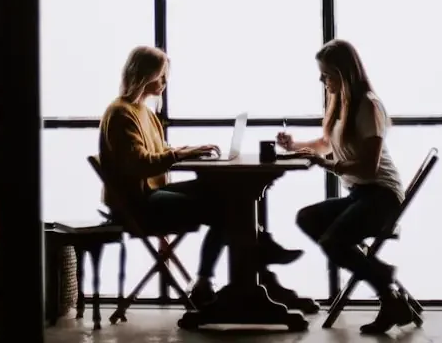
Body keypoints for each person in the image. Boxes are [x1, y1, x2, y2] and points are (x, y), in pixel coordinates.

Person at [99, 45, 301, 307]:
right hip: (136, 204)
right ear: (144, 75)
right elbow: (140, 164)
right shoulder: (121, 113)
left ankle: (247, 266)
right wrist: (182, 154)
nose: (165, 82)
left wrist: (189, 150)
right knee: (227, 207)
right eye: (160, 75)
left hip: (149, 193)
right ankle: (252, 263)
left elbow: (160, 152)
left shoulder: (144, 112)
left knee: (227, 195)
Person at [277, 39, 414, 335]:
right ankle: (386, 286)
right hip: (361, 194)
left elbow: (368, 167)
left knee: (333, 242)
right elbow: (327, 144)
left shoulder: (368, 105)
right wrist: (295, 146)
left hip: (382, 196)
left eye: (326, 74)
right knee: (307, 218)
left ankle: (385, 287)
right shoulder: (342, 103)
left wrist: (327, 165)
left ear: (344, 74)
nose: (321, 80)